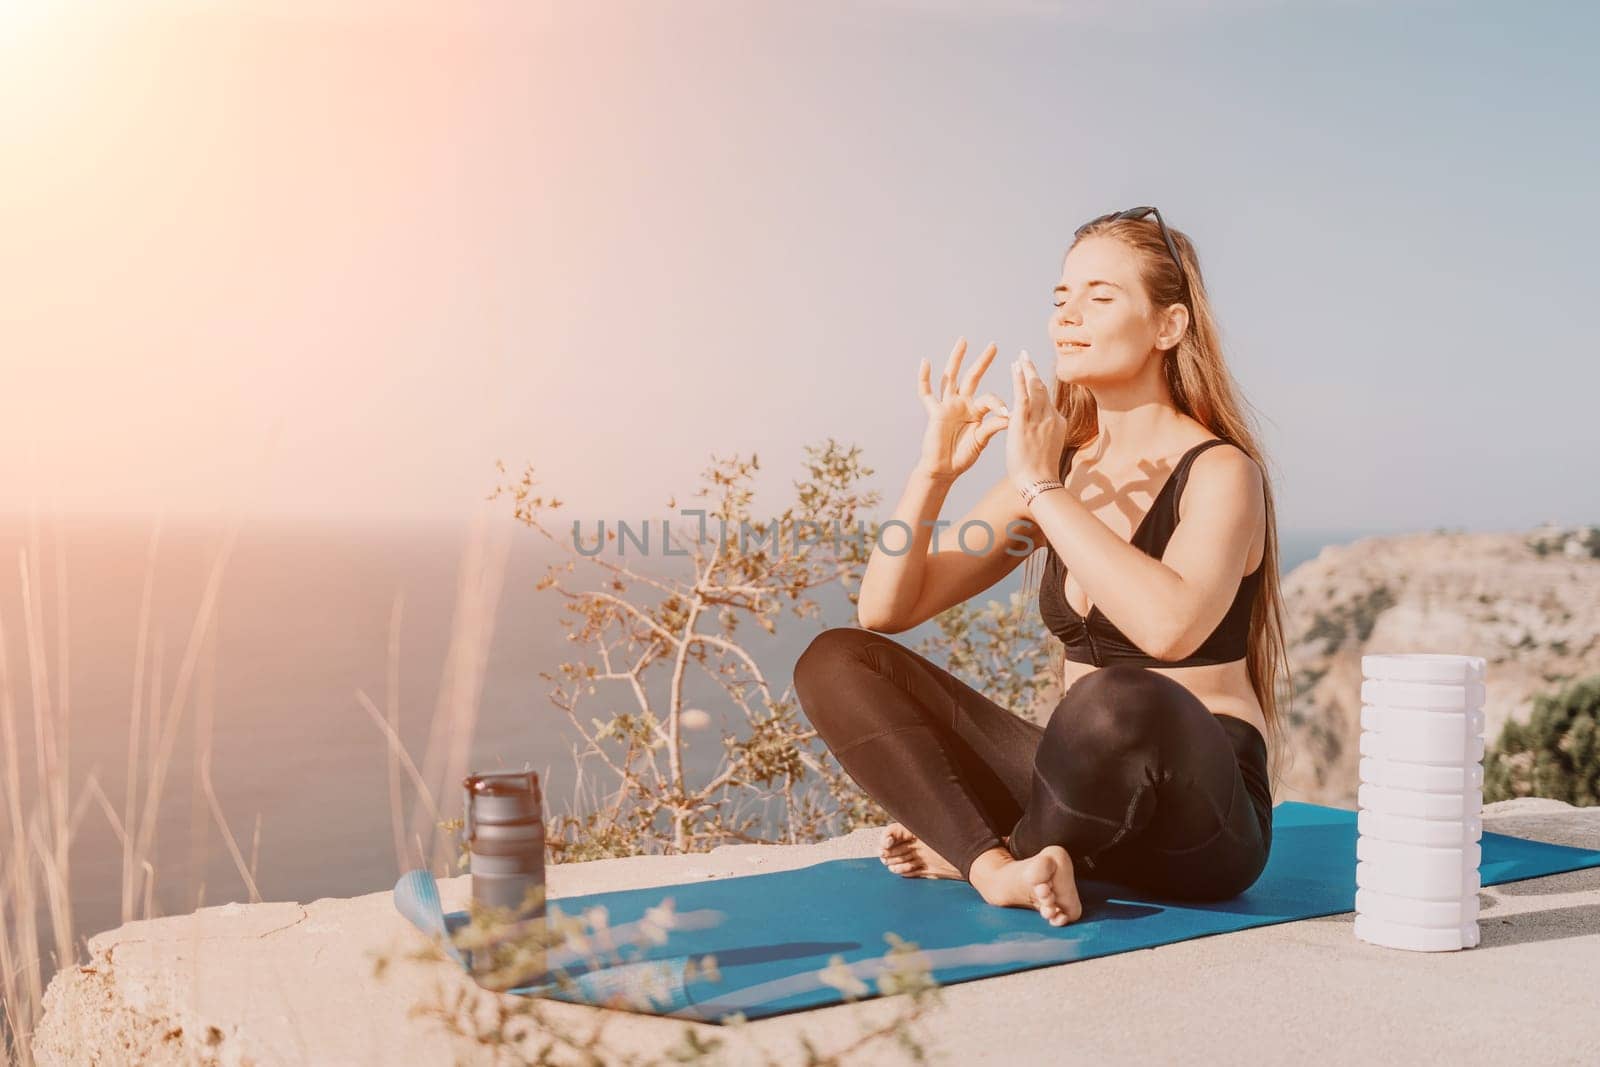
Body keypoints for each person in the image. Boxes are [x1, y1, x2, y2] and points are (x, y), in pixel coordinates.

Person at [793, 208, 1293, 927]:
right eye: (1060, 298)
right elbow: (887, 609)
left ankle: (997, 849)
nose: (1067, 316)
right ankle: (1004, 866)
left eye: (1099, 296)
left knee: (1118, 698)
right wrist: (931, 472)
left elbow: (1170, 628)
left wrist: (1042, 489)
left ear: (1168, 327)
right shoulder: (1057, 467)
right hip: (1078, 796)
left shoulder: (1220, 471)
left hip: (1200, 825)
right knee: (836, 658)